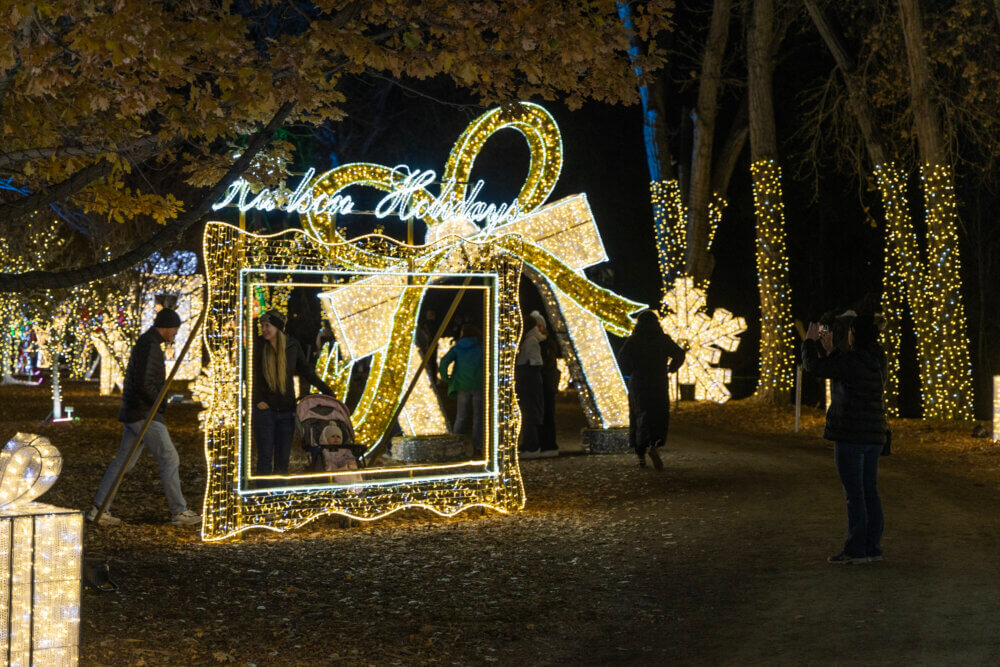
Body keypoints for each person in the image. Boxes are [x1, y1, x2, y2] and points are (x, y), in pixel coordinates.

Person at [88, 307, 202, 526]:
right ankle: (179, 511)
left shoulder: (147, 343)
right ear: (167, 327)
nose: (175, 334)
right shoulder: (151, 346)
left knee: (124, 462)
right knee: (169, 457)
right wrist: (160, 400)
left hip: (135, 411)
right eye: (175, 330)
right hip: (144, 413)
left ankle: (98, 509)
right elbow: (145, 383)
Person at [802, 312, 889, 565]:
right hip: (874, 435)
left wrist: (809, 343)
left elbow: (814, 367)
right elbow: (847, 369)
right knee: (869, 491)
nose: (848, 335)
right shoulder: (877, 358)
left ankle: (855, 550)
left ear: (855, 336)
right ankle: (872, 548)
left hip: (851, 435)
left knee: (855, 494)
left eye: (851, 332)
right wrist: (830, 350)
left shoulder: (851, 361)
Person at [254, 308, 335, 475]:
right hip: (265, 410)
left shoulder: (292, 345)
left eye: (267, 326)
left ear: (277, 327)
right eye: (262, 326)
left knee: (283, 458)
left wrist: (326, 390)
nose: (264, 329)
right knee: (265, 457)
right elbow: (252, 375)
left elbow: (307, 372)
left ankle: (278, 496)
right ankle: (262, 495)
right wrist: (257, 399)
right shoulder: (259, 345)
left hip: (286, 411)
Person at [618, 309, 686, 470]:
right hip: (658, 381)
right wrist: (671, 368)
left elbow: (622, 359)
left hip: (639, 382)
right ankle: (654, 444)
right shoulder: (662, 339)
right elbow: (679, 354)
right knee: (658, 414)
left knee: (639, 415)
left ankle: (641, 453)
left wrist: (630, 371)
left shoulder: (633, 340)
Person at [438, 324, 484, 456]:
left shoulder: (457, 347)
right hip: (478, 384)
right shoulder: (481, 347)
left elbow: (444, 361)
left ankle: (456, 447)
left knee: (461, 416)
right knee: (478, 418)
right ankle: (477, 448)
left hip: (462, 385)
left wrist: (446, 378)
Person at [516, 310, 553, 459]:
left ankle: (532, 446)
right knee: (528, 412)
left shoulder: (530, 340)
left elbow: (536, 361)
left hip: (529, 381)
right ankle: (529, 443)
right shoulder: (532, 339)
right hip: (529, 379)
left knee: (529, 412)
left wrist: (526, 368)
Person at [538, 319, 561, 457]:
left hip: (546, 383)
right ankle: (545, 443)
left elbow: (549, 362)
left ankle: (549, 444)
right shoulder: (543, 342)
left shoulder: (547, 343)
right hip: (544, 383)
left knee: (547, 414)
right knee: (543, 414)